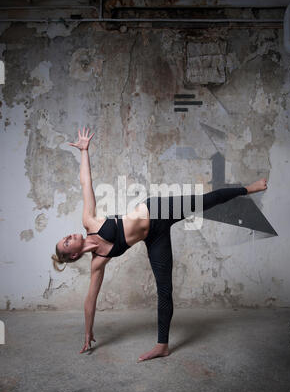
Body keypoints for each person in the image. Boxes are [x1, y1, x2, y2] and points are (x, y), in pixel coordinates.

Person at [52, 127, 268, 361]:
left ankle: (249, 188)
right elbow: (90, 301)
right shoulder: (98, 262)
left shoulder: (90, 221)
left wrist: (84, 151)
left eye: (66, 236)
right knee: (164, 290)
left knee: (206, 201)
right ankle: (162, 346)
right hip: (155, 238)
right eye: (67, 242)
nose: (70, 236)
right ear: (73, 256)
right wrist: (87, 333)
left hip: (156, 210)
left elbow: (86, 183)